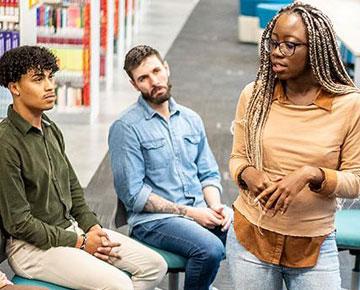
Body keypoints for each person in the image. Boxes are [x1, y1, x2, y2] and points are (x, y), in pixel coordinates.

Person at [0, 46, 167, 290]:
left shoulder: (49, 128)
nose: (49, 86)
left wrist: (93, 227)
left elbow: (74, 190)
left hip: (70, 229)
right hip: (31, 247)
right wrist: (80, 241)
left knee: (154, 267)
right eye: (38, 79)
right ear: (15, 87)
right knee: (120, 285)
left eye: (50, 77)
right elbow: (19, 223)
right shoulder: (6, 142)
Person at [227, 2, 360, 290]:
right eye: (273, 43)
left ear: (315, 49)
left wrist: (312, 174)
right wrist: (250, 175)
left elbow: (356, 181)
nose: (277, 52)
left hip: (313, 244)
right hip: (252, 238)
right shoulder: (254, 96)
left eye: (289, 45)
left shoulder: (349, 105)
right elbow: (238, 158)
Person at [108, 45, 231, 290]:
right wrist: (193, 214)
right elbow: (133, 195)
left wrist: (216, 206)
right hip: (154, 221)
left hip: (200, 210)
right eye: (143, 78)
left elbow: (208, 174)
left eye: (156, 71)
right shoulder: (126, 127)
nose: (154, 81)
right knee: (210, 250)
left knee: (252, 232)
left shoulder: (190, 119)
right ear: (134, 85)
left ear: (167, 68)